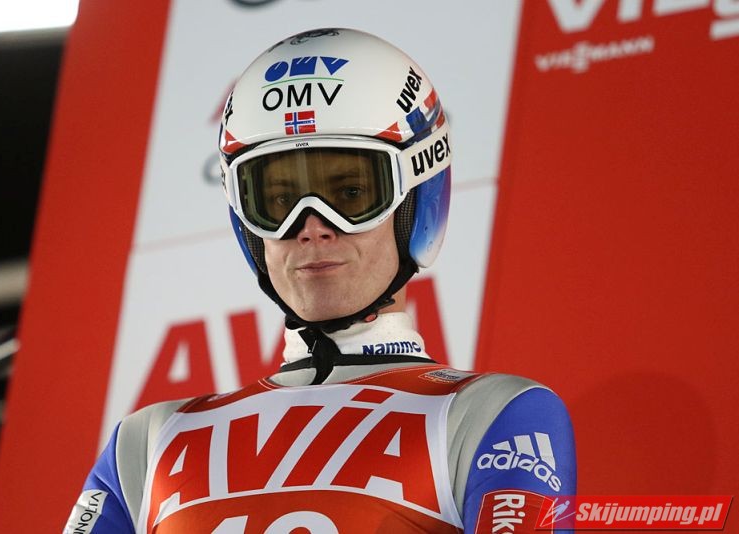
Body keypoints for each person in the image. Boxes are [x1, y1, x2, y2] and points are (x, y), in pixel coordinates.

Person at [65, 28, 575, 533]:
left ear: (417, 197)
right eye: (279, 201)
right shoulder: (143, 443)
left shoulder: (492, 414)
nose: (312, 227)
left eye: (351, 193)